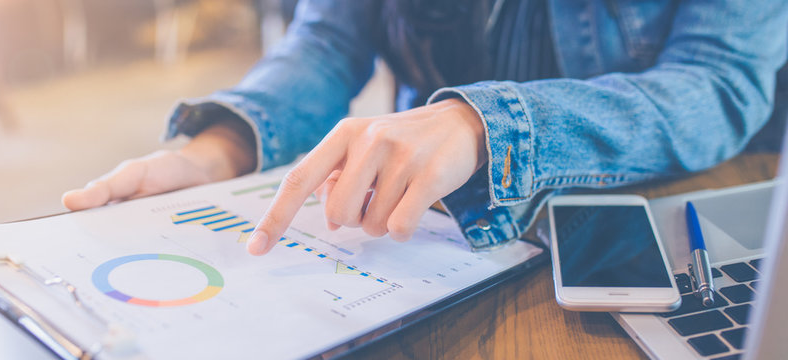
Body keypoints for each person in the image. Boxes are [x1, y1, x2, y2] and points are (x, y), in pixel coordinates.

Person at [62, 0, 788, 256]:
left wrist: (486, 125)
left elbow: (718, 79)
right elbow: (327, 41)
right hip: (426, 229)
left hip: (652, 221)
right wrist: (220, 148)